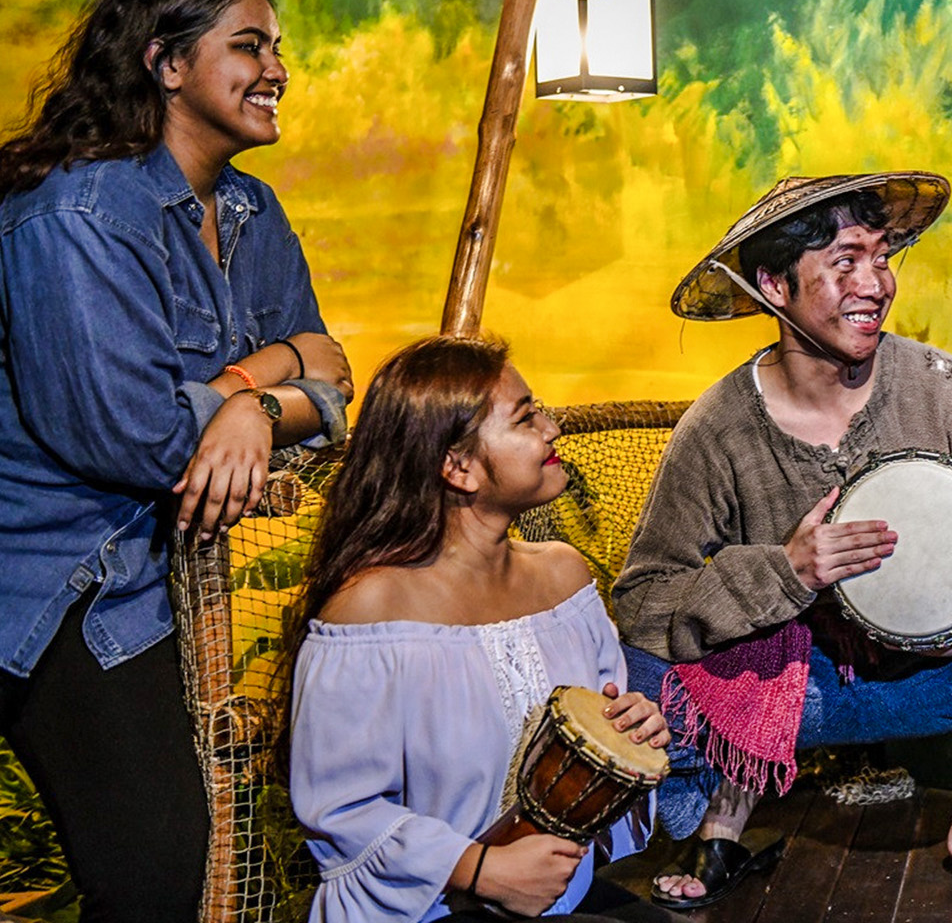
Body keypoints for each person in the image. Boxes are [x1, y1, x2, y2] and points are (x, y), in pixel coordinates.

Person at [611, 172, 952, 923]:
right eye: (844, 263)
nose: (875, 283)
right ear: (774, 284)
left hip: (945, 676)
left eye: (881, 256)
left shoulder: (940, 386)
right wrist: (785, 573)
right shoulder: (720, 426)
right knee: (636, 666)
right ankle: (720, 818)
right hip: (801, 690)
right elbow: (643, 597)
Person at [0, 0, 351, 923]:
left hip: (112, 586)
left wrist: (257, 405)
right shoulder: (73, 216)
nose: (277, 68)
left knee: (152, 871)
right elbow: (133, 440)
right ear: (166, 63)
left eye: (277, 47)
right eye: (249, 45)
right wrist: (263, 377)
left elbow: (333, 384)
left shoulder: (252, 212)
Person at [287, 335, 683, 923]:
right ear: (459, 466)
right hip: (425, 910)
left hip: (557, 901)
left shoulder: (565, 580)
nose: (552, 429)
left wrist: (634, 732)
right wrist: (480, 869)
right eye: (526, 417)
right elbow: (339, 810)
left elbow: (599, 739)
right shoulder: (369, 612)